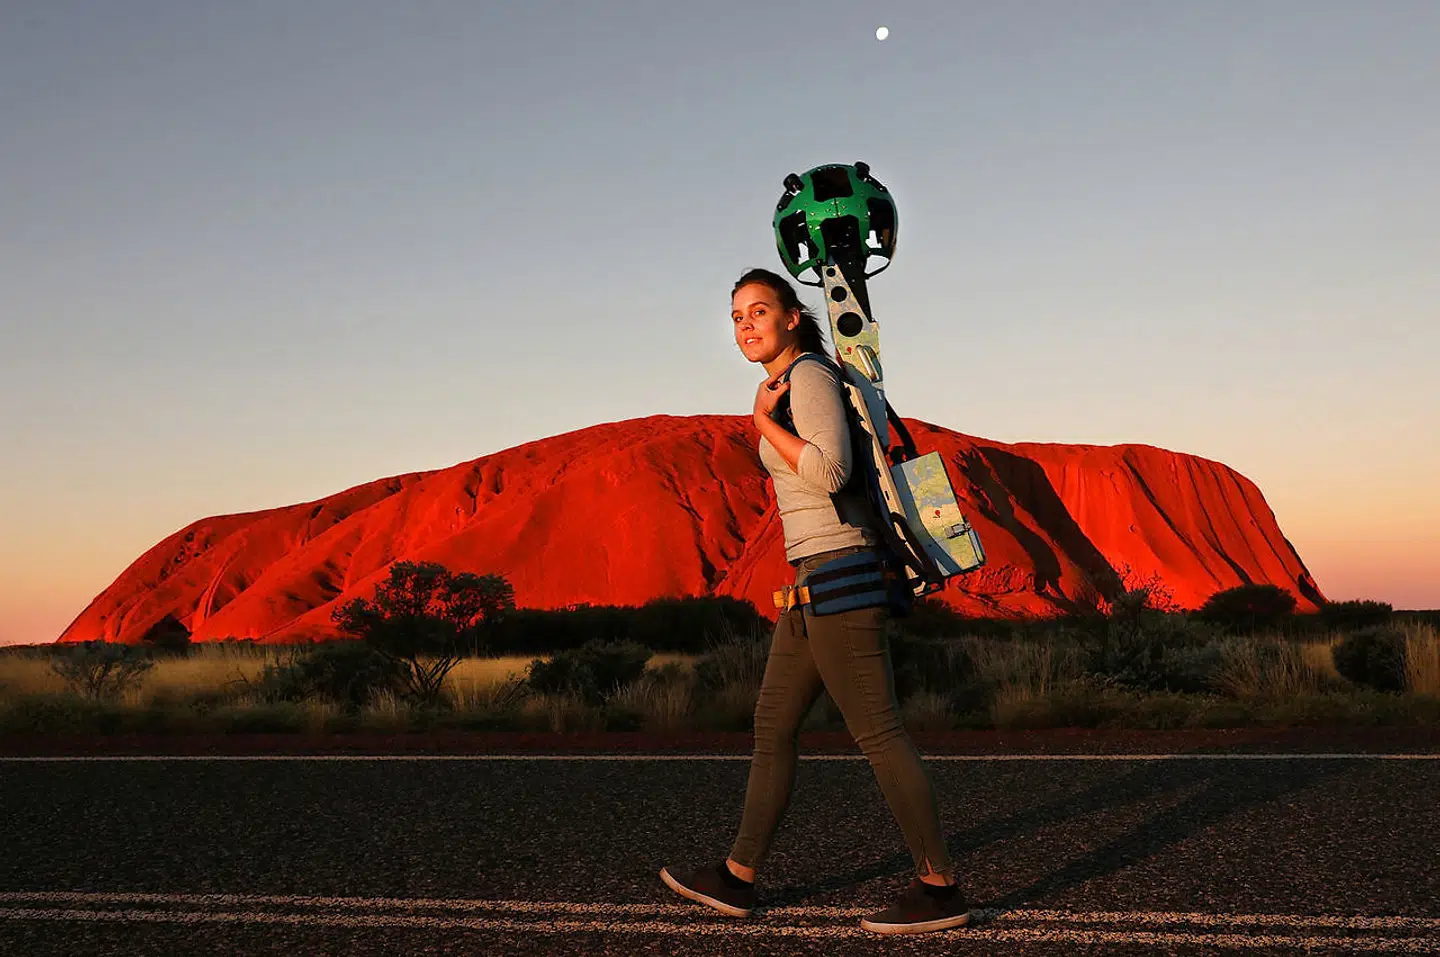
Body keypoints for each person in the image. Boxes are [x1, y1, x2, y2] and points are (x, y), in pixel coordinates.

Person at [659, 268, 971, 935]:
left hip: (841, 575)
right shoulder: (783, 381)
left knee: (879, 732)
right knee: (773, 724)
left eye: (759, 311)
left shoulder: (808, 376)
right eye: (737, 315)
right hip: (808, 587)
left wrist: (763, 423)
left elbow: (831, 469)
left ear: (793, 316)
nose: (746, 325)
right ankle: (738, 876)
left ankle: (940, 886)